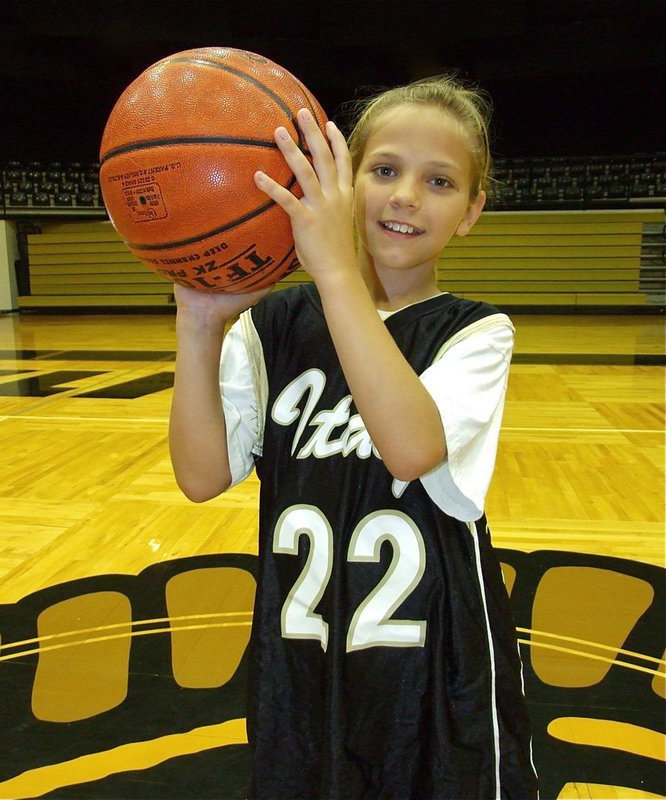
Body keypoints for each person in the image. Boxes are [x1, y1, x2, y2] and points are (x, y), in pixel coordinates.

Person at [169, 75, 539, 799]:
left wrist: (336, 271)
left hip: (434, 663)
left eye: (439, 181)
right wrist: (200, 324)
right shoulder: (274, 327)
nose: (406, 196)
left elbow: (411, 449)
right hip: (303, 663)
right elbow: (200, 475)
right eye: (385, 170)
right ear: (343, 183)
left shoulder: (473, 333)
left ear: (471, 212)